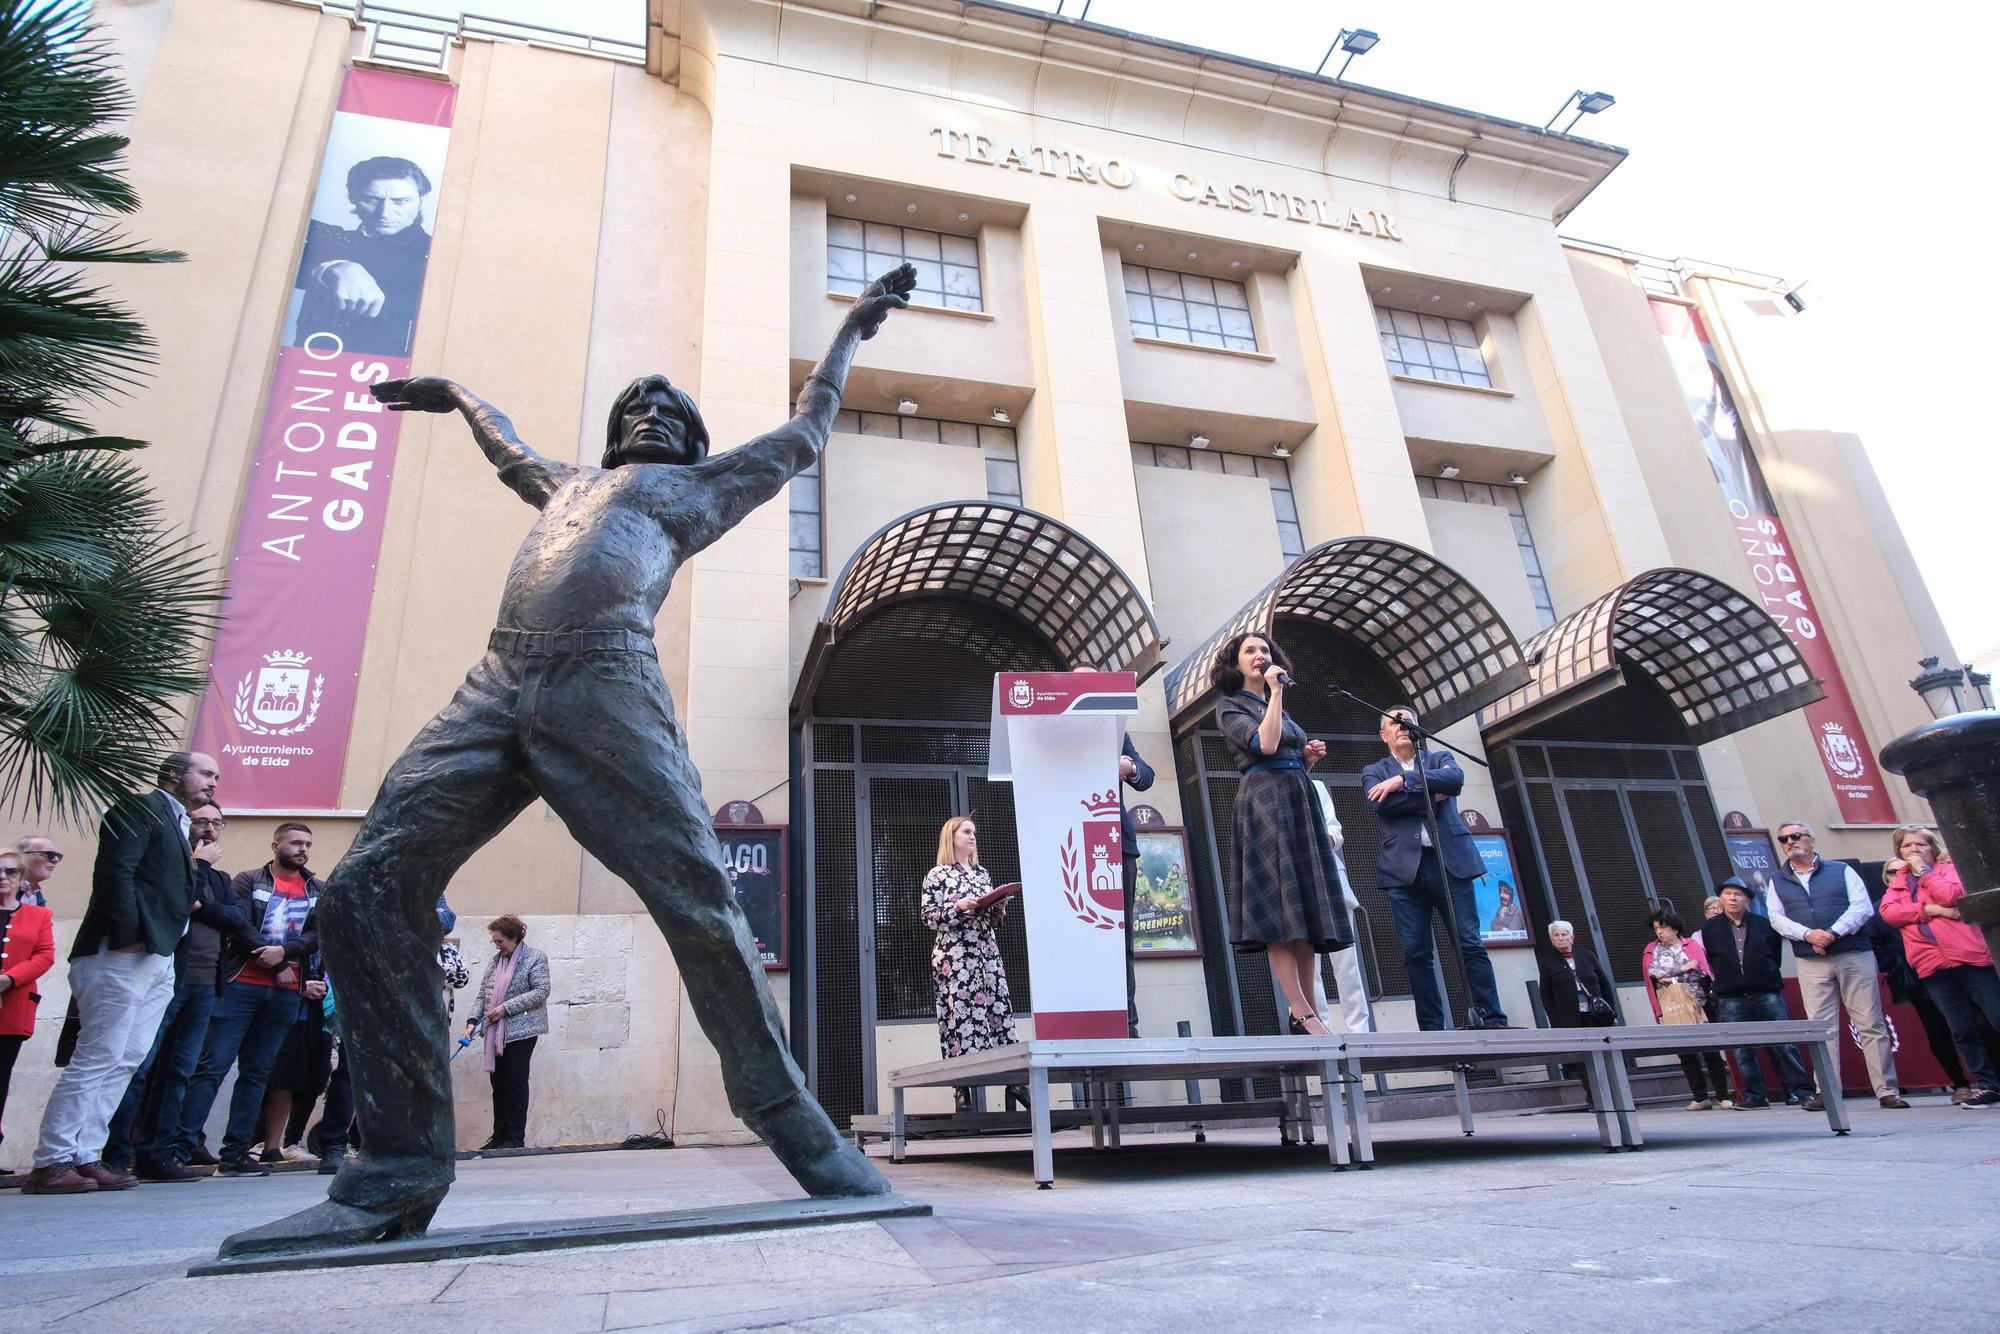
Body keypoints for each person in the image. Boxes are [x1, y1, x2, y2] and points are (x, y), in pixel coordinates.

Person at [221, 266, 915, 1259]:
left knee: (699, 904)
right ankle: (392, 1172)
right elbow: (508, 450)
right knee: (364, 890)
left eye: (666, 406)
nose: (646, 409)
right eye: (631, 403)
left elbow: (805, 435)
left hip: (606, 683)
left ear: (690, 440)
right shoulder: (571, 487)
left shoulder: (694, 489)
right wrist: (458, 395)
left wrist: (849, 327)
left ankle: (806, 1138)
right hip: (497, 678)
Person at [22, 752, 215, 1195]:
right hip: (120, 950)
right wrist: (129, 932)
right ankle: (51, 1160)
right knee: (97, 1055)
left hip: (158, 955)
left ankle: (87, 1154)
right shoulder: (137, 808)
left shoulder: (182, 825)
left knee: (127, 1057)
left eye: (215, 776)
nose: (212, 783)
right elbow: (115, 873)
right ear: (172, 774)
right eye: (205, 773)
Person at [1211, 632, 1354, 1036]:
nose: (1261, 656)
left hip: (1297, 801)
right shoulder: (1230, 706)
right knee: (1278, 906)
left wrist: (1307, 759)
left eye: (1266, 650)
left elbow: (1287, 756)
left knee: (1303, 910)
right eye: (1251, 651)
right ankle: (1299, 1007)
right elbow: (1267, 745)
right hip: (1264, 805)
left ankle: (1305, 1012)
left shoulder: (1275, 704)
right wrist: (1275, 694)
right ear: (1234, 663)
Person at [103, 803, 250, 1181]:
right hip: (166, 978)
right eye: (202, 822)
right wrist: (197, 867)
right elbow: (178, 902)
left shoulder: (220, 878)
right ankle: (115, 1154)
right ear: (185, 825)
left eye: (217, 823)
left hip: (204, 984)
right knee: (139, 1066)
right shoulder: (168, 870)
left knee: (179, 1071)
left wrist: (204, 902)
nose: (210, 830)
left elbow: (236, 918)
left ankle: (158, 1154)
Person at [175, 822, 323, 1177]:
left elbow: (319, 933)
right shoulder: (247, 880)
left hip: (286, 992)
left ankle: (236, 1153)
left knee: (258, 1072)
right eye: (295, 842)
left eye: (308, 844)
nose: (302, 849)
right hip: (242, 983)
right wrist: (270, 960)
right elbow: (239, 924)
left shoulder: (317, 888)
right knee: (213, 1066)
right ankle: (180, 1149)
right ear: (276, 845)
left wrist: (285, 952)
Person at [1363, 705, 1506, 1031]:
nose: (1401, 727)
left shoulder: (1440, 759)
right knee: (1417, 952)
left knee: (1469, 942)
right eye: (1393, 723)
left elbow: (1455, 780)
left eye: (1407, 722)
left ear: (1417, 729)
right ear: (1383, 735)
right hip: (1404, 872)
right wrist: (1430, 791)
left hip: (1449, 865)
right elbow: (1379, 804)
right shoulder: (1373, 769)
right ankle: (1432, 1028)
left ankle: (1492, 1018)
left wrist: (1402, 781)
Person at [1767, 821, 1906, 1110]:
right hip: (1811, 960)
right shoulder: (1777, 880)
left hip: (1853, 953)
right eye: (1783, 839)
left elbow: (1862, 907)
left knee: (1871, 1023)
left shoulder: (1842, 870)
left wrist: (1832, 934)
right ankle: (1827, 1092)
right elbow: (1776, 918)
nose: (1789, 842)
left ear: (1811, 840)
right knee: (1821, 1028)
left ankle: (1887, 1090)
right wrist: (1808, 935)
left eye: (1795, 836)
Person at [1879, 826, 2000, 1108]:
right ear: (1899, 850)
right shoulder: (1898, 883)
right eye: (1908, 845)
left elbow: (1952, 896)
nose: (1914, 850)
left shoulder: (1947, 871)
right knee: (1961, 1028)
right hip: (1931, 965)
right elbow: (1890, 914)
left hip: (1969, 956)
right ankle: (1987, 1084)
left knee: (1996, 1017)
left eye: (1921, 845)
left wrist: (1926, 874)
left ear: (1932, 848)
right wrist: (1932, 911)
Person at [291, 156, 435, 355]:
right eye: (371, 199)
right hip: (315, 374)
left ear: (422, 201)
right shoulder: (334, 241)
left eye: (400, 201)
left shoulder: (434, 255)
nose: (384, 213)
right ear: (354, 198)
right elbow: (283, 230)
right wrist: (333, 267)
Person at [920, 817, 1017, 1109]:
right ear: (951, 837)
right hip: (955, 956)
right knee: (959, 1017)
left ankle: (1014, 1084)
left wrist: (998, 907)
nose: (973, 837)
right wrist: (957, 907)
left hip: (986, 953)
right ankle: (963, 1090)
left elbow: (992, 920)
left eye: (975, 832)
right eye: (967, 832)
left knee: (998, 1010)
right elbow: (928, 916)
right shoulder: (937, 875)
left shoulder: (982, 874)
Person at [1699, 875, 1813, 1109]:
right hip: (1731, 995)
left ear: (1747, 900)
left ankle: (1802, 1091)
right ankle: (1755, 1095)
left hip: (1765, 991)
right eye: (1727, 894)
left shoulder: (1763, 924)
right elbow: (1712, 958)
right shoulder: (1710, 928)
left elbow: (1774, 956)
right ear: (1720, 899)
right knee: (1742, 1048)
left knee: (1784, 1043)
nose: (1732, 899)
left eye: (1738, 894)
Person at [470, 915, 550, 1150]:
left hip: (522, 1031)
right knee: (499, 1083)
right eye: (494, 942)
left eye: (500, 941)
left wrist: (505, 1008)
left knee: (515, 1082)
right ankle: (499, 1136)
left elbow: (541, 991)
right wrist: (472, 1021)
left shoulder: (535, 958)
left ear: (514, 938)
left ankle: (515, 1138)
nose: (497, 946)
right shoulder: (495, 962)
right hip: (496, 1032)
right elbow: (483, 994)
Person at [1641, 906, 1732, 1109]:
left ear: (1674, 928)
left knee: (1710, 1049)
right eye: (1656, 928)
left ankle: (1723, 1095)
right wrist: (1682, 968)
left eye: (1663, 927)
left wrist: (1670, 974)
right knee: (1685, 1052)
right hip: (1671, 1003)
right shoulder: (1651, 949)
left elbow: (1702, 970)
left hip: (1698, 1001)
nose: (1660, 932)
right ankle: (1700, 1097)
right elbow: (1653, 972)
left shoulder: (1691, 945)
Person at [0, 852, 57, 1161]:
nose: (3, 876)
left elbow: (45, 955)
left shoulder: (38, 916)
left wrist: (10, 979)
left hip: (12, 1006)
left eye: (10, 871)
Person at [1538, 921, 1616, 1029]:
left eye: (1564, 934)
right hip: (1568, 1019)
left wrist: (1610, 1012)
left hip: (1595, 1015)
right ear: (1551, 939)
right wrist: (1555, 1023)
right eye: (1556, 935)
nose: (1560, 938)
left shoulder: (1588, 956)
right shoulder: (1548, 962)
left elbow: (1605, 984)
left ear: (1571, 937)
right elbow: (1545, 995)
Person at [15, 835, 63, 908]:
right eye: (49, 854)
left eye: (58, 856)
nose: (56, 860)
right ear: (22, 856)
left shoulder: (36, 892)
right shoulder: (5, 890)